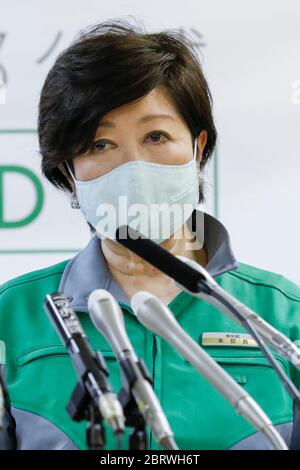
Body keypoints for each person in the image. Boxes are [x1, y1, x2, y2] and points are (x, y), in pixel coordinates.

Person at [1, 20, 300, 450]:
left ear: (197, 150)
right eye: (100, 145)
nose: (132, 167)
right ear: (69, 171)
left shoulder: (282, 316)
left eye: (156, 135)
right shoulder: (11, 317)